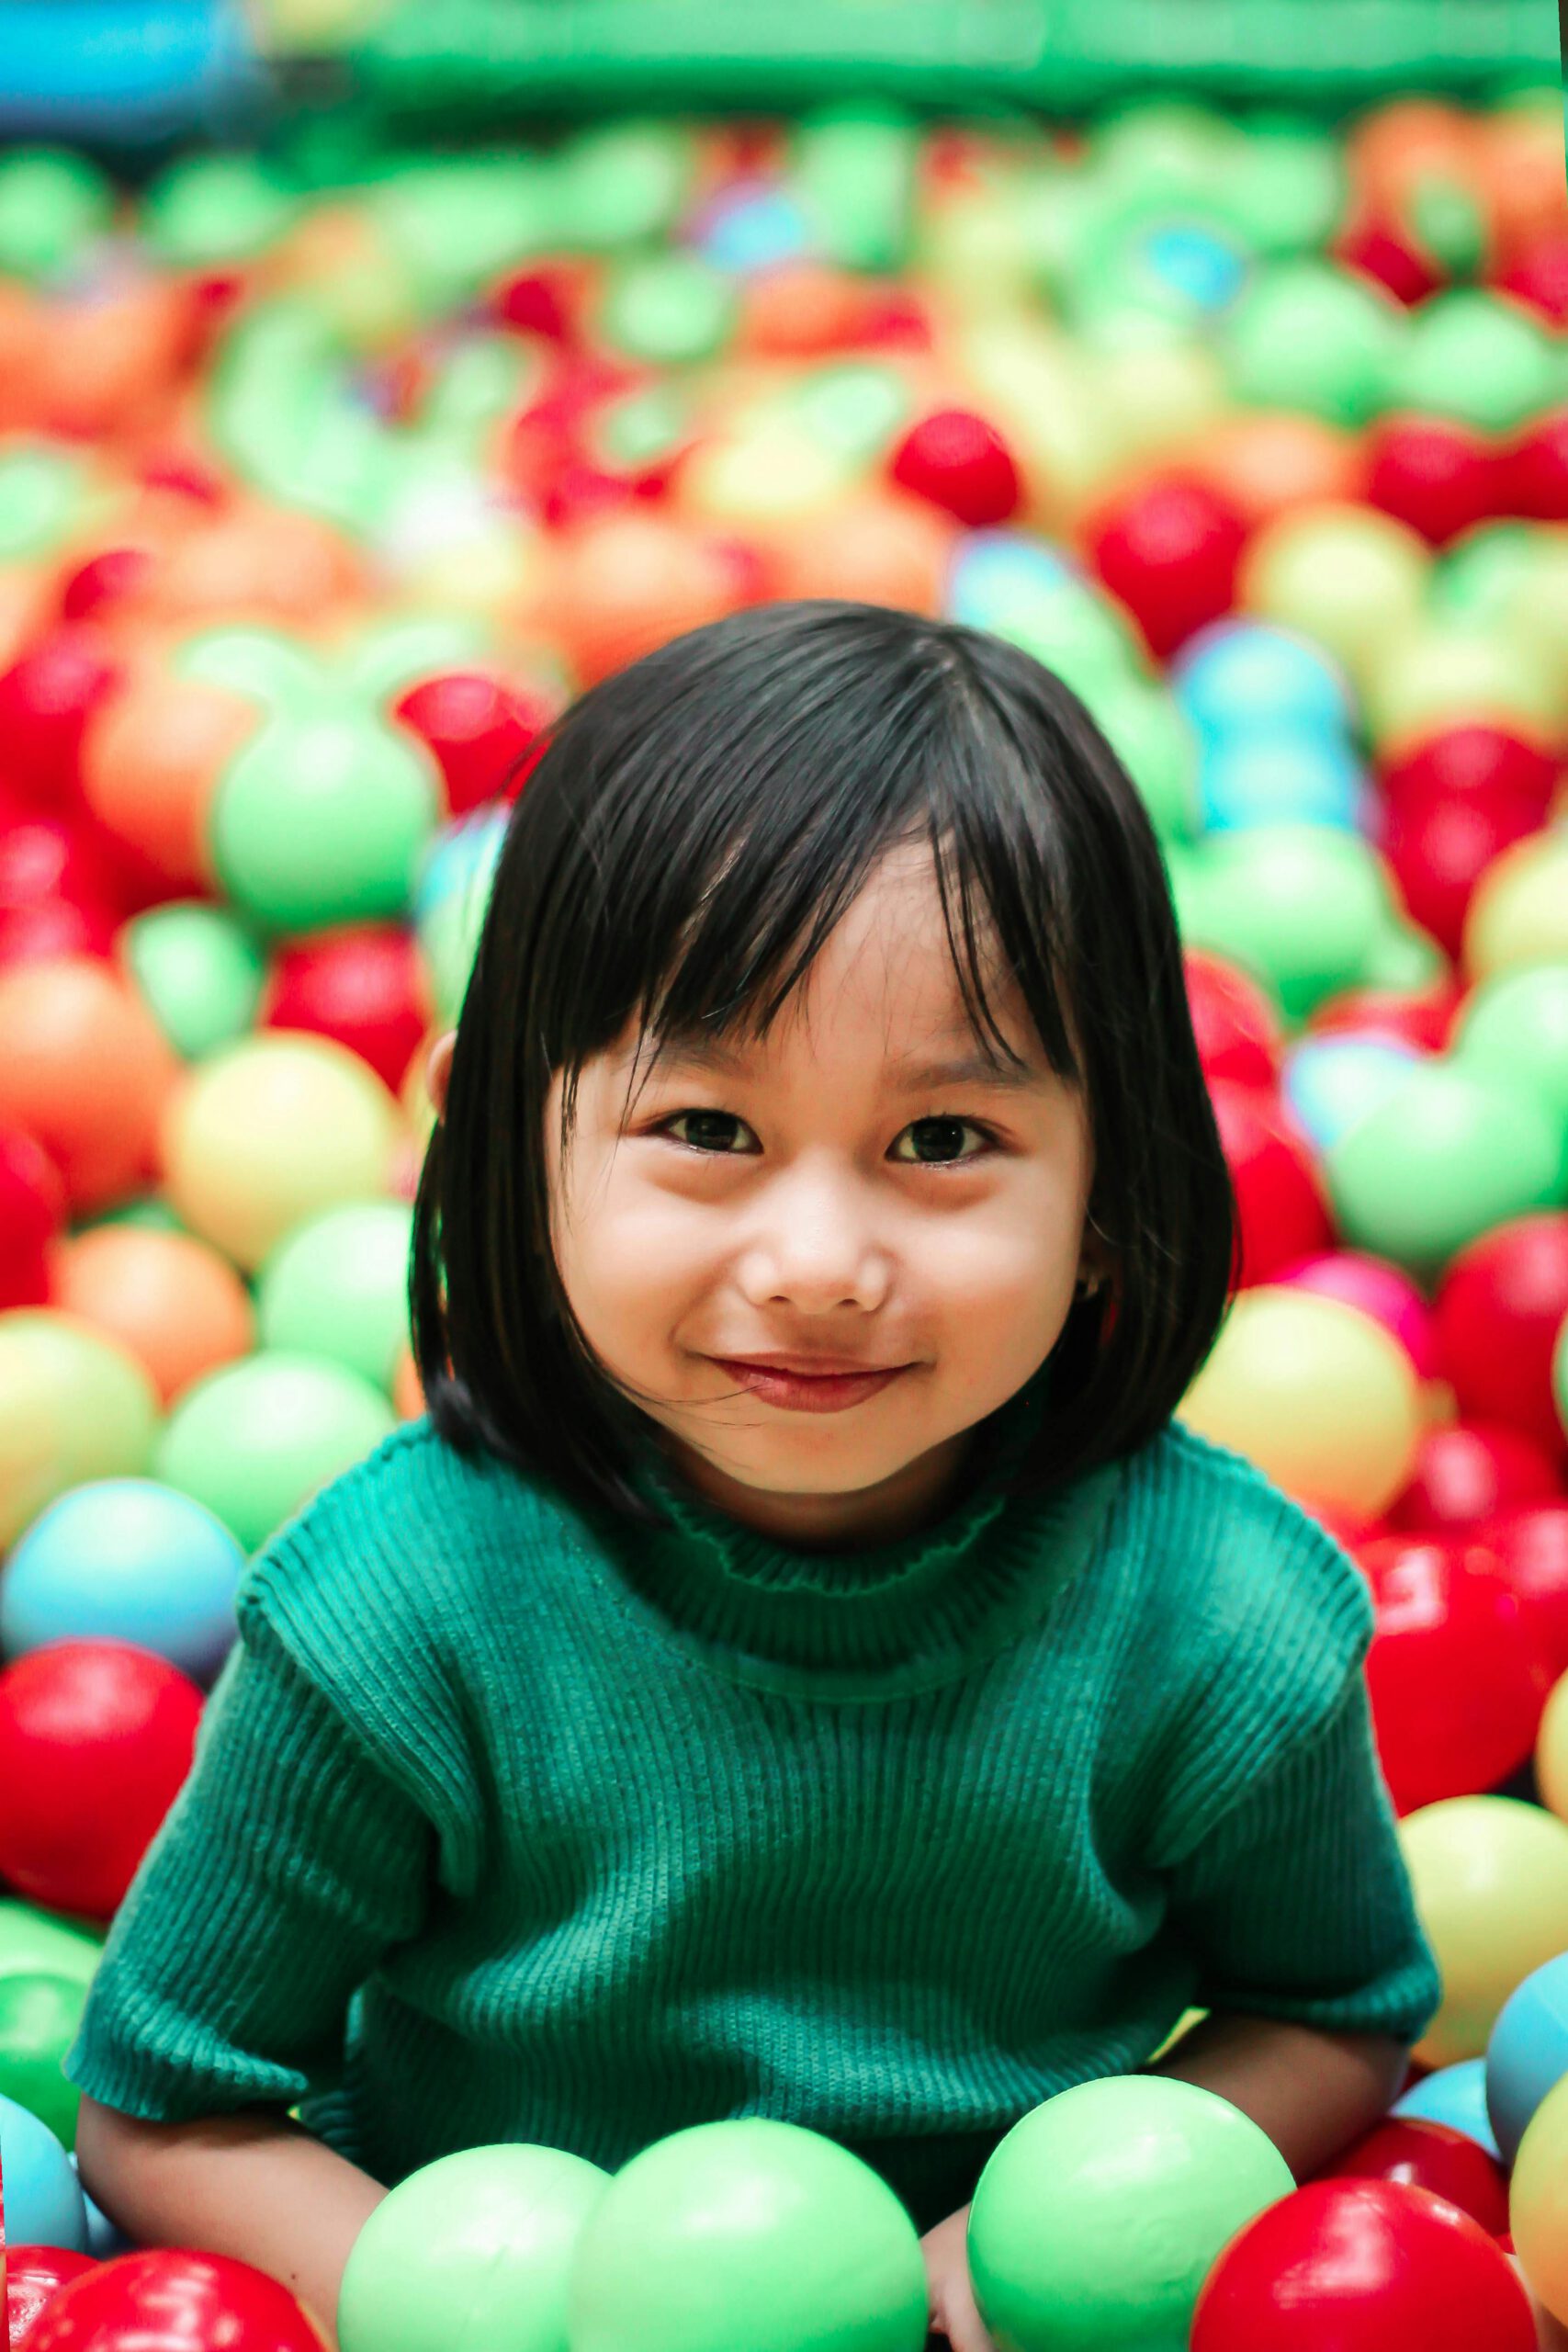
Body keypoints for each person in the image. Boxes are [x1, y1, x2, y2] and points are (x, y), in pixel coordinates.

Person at [68, 599, 1445, 2352]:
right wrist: (502, 2310)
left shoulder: (1226, 1623)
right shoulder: (393, 1619)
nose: (815, 1259)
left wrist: (1041, 2253)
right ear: (504, 1132)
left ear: (1115, 1193)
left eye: (944, 1141)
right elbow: (162, 2102)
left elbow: (1335, 2011)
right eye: (707, 1130)